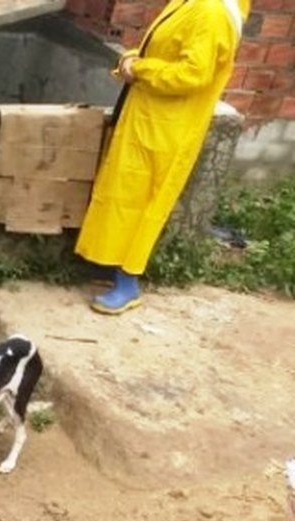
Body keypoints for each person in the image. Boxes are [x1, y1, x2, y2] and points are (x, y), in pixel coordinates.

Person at [74, 0, 250, 315]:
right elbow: (161, 47)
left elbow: (193, 74)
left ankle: (128, 282)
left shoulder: (212, 12)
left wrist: (141, 68)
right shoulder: (193, 3)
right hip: (150, 117)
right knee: (124, 196)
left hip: (168, 127)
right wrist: (131, 60)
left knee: (144, 204)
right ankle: (112, 265)